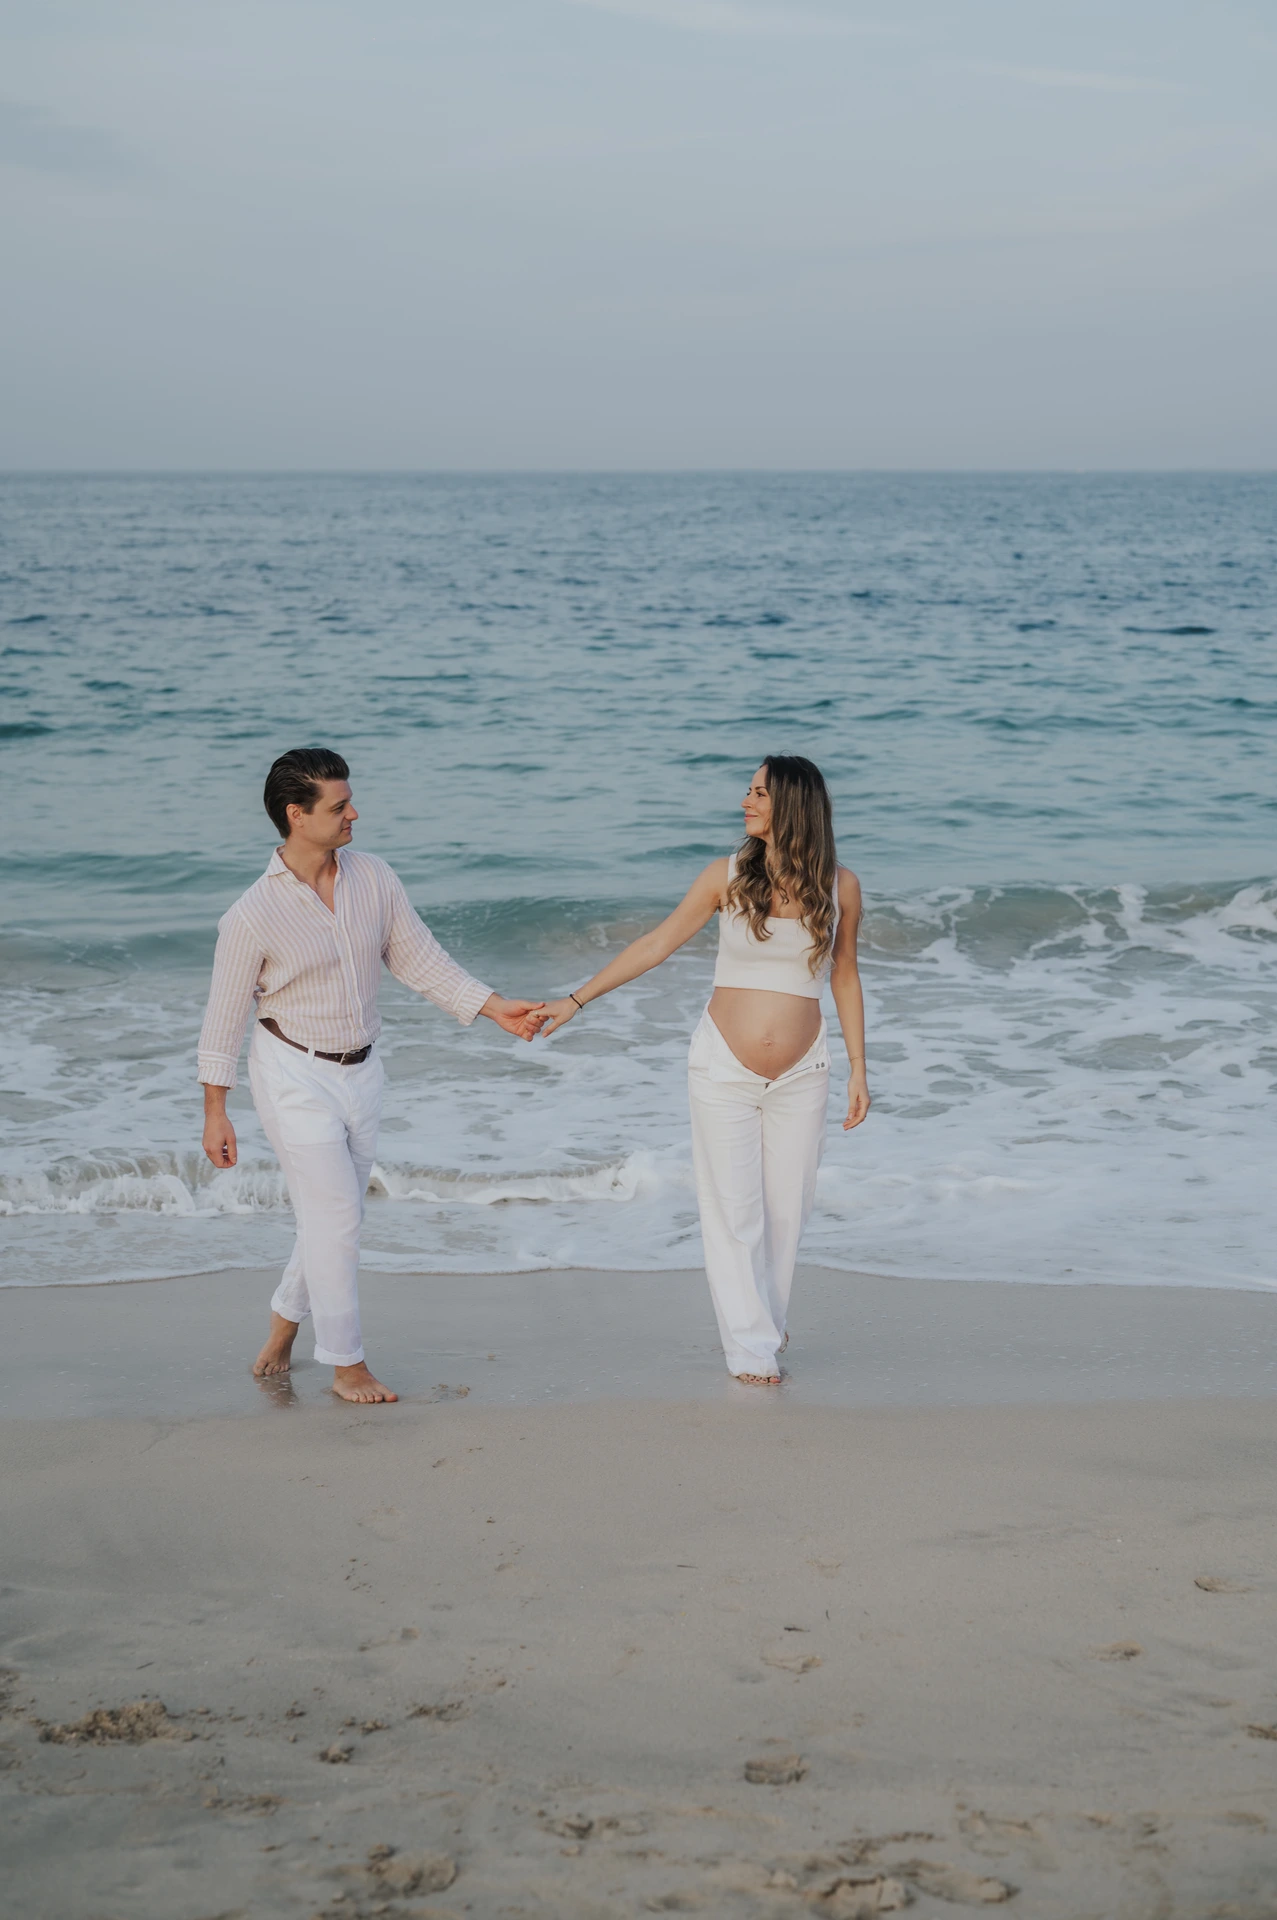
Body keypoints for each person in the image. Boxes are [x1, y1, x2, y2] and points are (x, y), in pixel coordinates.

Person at [198, 747, 546, 1404]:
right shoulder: (250, 915)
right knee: (336, 1218)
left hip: (363, 1072)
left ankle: (282, 1324)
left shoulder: (374, 877)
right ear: (296, 816)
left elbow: (419, 961)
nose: (354, 813)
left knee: (334, 1216)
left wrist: (494, 1007)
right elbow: (222, 1018)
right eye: (339, 806)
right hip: (290, 1073)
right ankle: (346, 1365)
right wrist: (216, 1110)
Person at [538, 755, 869, 1385]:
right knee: (733, 1209)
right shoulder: (726, 876)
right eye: (747, 790)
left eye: (759, 792)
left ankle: (764, 1318)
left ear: (793, 805)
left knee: (786, 1212)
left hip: (805, 1070)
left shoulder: (840, 885)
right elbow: (656, 945)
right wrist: (576, 1001)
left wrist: (859, 1067)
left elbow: (846, 975)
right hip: (723, 1064)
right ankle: (751, 1348)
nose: (746, 801)